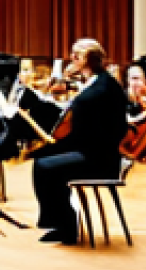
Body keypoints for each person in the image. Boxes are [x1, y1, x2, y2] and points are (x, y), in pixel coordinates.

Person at [32, 39, 128, 245]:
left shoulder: (97, 91)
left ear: (86, 59)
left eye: (76, 55)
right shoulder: (100, 82)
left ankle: (66, 227)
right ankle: (61, 223)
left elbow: (84, 135)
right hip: (99, 152)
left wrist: (53, 145)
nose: (71, 58)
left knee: (44, 165)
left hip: (99, 160)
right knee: (44, 159)